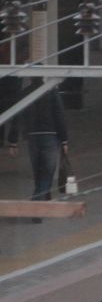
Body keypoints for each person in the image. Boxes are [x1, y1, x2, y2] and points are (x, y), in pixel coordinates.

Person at [6, 82, 70, 213]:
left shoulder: (25, 93)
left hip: (32, 137)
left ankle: (44, 199)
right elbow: (59, 116)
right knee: (47, 172)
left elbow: (17, 117)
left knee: (38, 171)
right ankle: (37, 202)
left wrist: (13, 141)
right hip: (51, 136)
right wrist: (64, 140)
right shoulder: (51, 92)